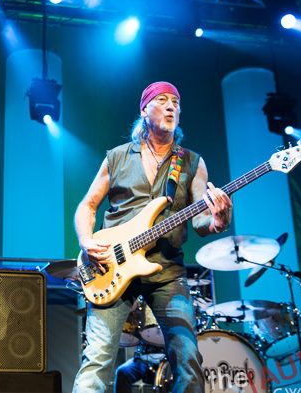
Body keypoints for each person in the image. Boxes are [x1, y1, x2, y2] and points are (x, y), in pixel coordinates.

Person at [72, 81, 233, 393]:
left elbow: (201, 221)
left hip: (167, 272)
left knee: (188, 362)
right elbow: (87, 206)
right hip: (111, 267)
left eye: (176, 101)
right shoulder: (117, 157)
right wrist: (85, 241)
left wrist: (218, 221)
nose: (171, 106)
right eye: (162, 100)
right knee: (96, 362)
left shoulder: (192, 162)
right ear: (144, 110)